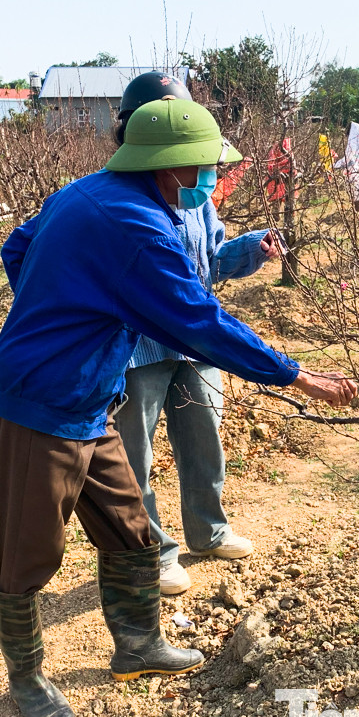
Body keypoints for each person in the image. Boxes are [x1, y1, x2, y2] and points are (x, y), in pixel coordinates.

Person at [0, 97, 357, 717]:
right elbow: (199, 321)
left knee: (131, 528)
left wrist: (75, 306)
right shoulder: (134, 228)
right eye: (207, 167)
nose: (211, 178)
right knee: (27, 550)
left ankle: (137, 645)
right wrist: (297, 375)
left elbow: (16, 250)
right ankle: (26, 677)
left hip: (92, 397)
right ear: (174, 167)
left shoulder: (89, 192)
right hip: (41, 402)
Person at [109, 73, 278, 597]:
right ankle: (154, 553)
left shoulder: (195, 192)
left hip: (195, 343)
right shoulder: (122, 202)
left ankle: (208, 529)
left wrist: (252, 249)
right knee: (136, 454)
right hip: (140, 349)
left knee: (205, 441)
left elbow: (211, 262)